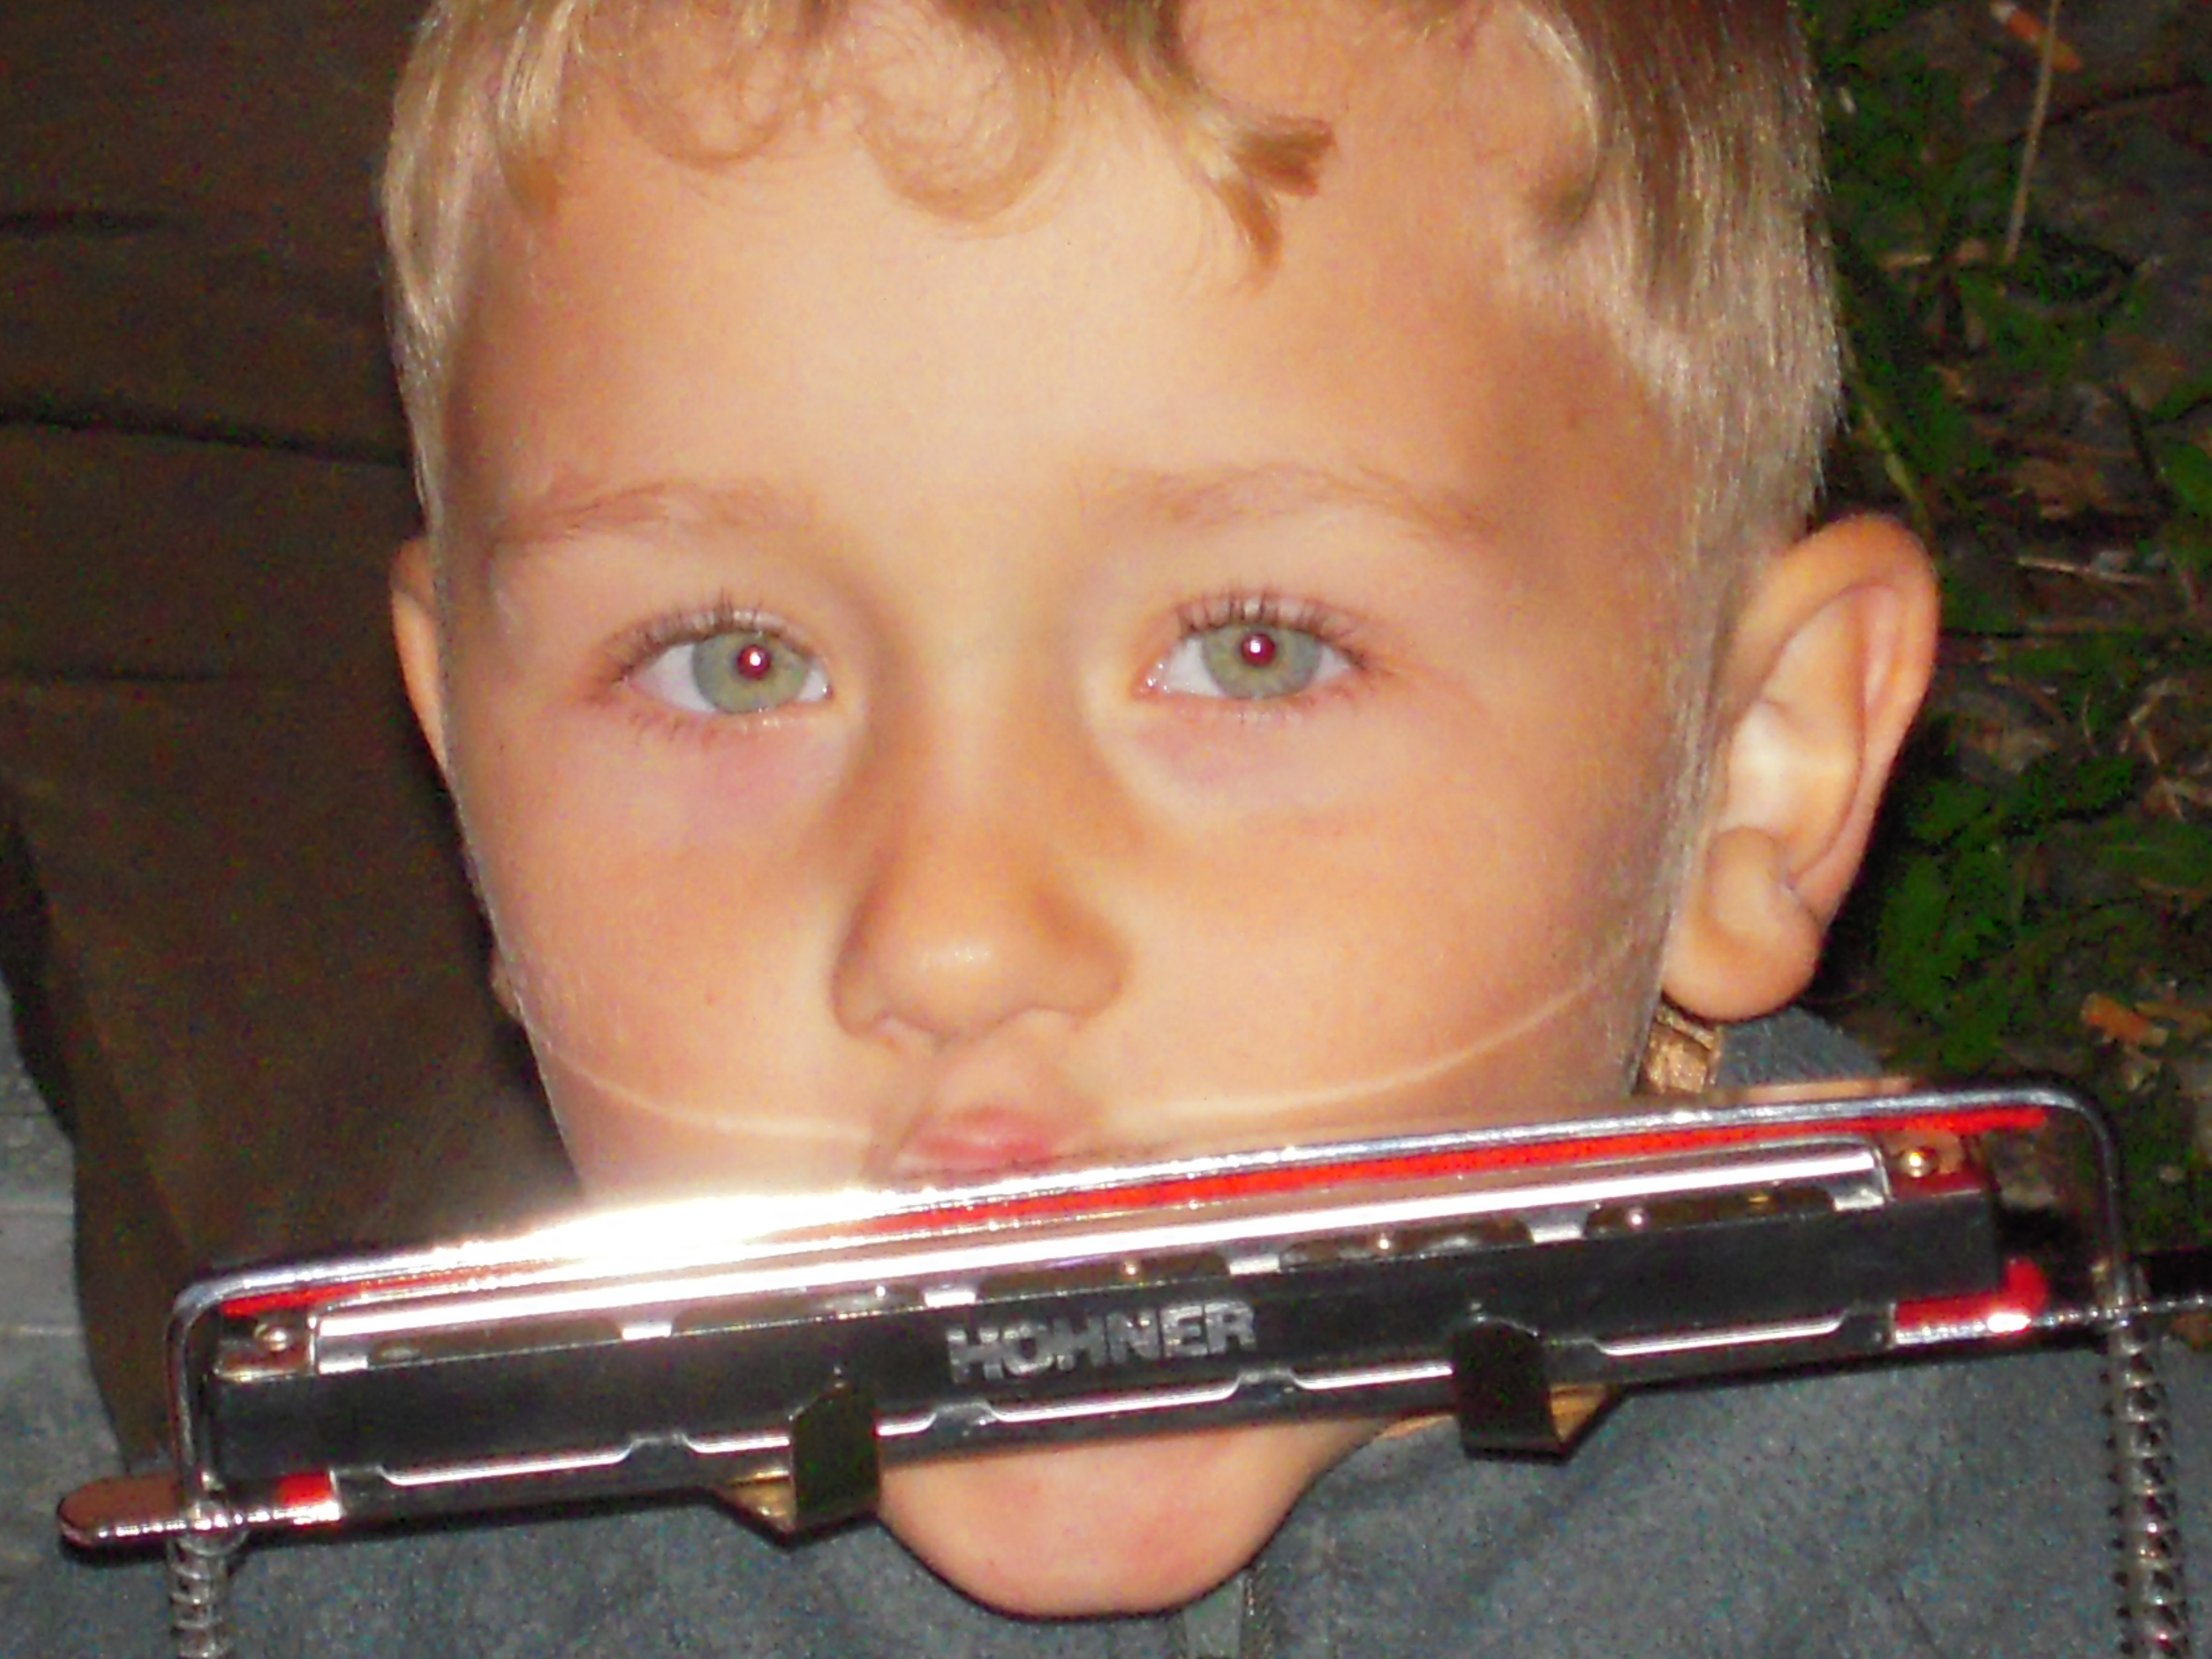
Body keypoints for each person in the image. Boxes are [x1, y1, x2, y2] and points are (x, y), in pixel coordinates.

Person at [6, 0, 2200, 1652]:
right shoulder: (331, 1598)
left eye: (1250, 650)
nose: (953, 934)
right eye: (733, 663)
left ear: (1754, 769)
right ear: (469, 781)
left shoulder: (2101, 1551)